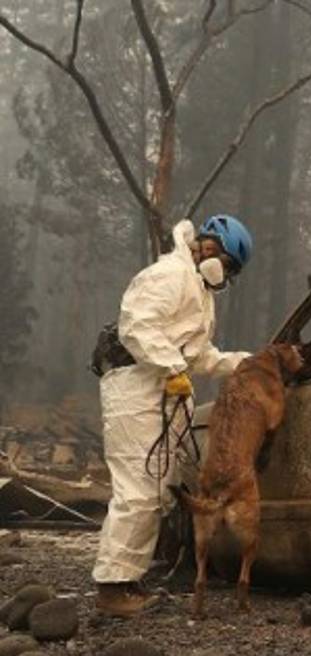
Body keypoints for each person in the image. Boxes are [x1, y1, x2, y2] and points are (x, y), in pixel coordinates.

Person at [94, 215, 254, 617]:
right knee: (138, 488)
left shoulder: (199, 292)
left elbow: (199, 356)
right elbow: (136, 326)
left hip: (157, 390)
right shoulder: (168, 275)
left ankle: (128, 579)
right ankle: (113, 589)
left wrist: (245, 364)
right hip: (134, 388)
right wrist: (170, 368)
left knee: (155, 487)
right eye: (229, 266)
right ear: (211, 248)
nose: (225, 276)